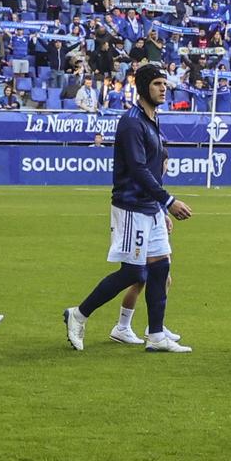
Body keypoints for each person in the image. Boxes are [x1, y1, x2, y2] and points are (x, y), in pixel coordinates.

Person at [62, 63, 194, 353]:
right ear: (145, 86)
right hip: (132, 206)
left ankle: (156, 335)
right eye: (158, 83)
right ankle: (79, 314)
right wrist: (168, 202)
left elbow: (154, 168)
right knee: (134, 273)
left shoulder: (151, 119)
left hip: (150, 208)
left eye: (164, 84)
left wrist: (159, 209)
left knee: (161, 268)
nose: (163, 88)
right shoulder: (132, 122)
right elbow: (137, 169)